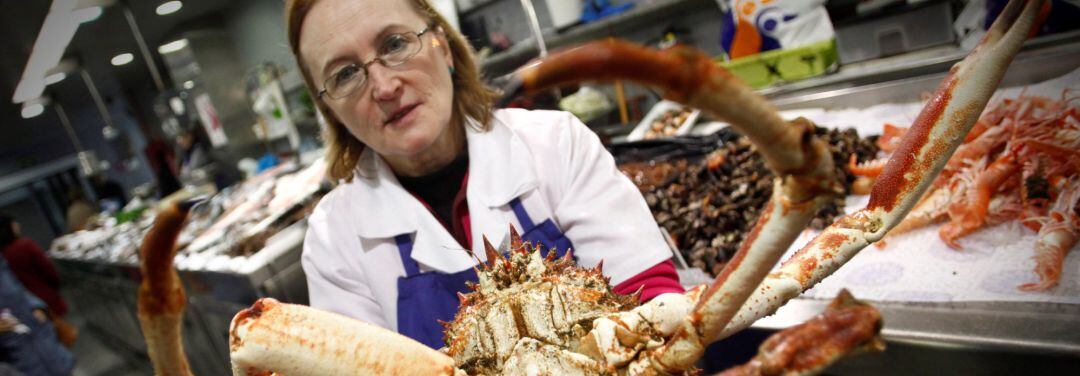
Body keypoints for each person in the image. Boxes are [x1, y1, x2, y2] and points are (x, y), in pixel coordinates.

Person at [287, 0, 684, 349]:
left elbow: (652, 308)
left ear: (442, 46)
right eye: (344, 74)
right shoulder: (334, 240)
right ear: (329, 111)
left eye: (395, 44)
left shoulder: (555, 145)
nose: (385, 86)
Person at [0, 216, 76, 348]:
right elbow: (47, 268)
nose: (17, 225)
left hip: (22, 310)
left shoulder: (4, 255)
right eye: (14, 223)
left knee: (45, 342)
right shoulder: (25, 245)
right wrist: (55, 286)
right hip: (44, 296)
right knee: (60, 334)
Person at [0, 255, 75, 375]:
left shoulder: (2, 265)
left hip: (41, 339)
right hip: (17, 360)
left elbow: (19, 289)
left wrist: (36, 306)